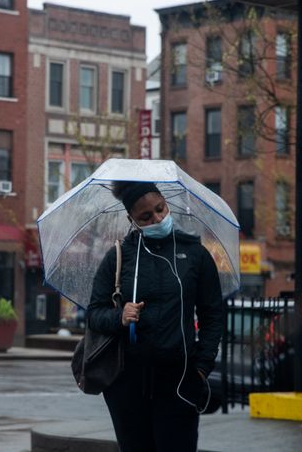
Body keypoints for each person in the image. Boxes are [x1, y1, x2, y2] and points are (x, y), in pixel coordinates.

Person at [87, 181, 224, 451]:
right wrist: (120, 317)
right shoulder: (118, 257)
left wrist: (201, 368)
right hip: (126, 384)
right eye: (146, 216)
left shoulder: (196, 254)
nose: (158, 218)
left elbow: (213, 314)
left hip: (179, 380)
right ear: (132, 220)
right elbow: (94, 314)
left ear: (166, 203)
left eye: (160, 209)